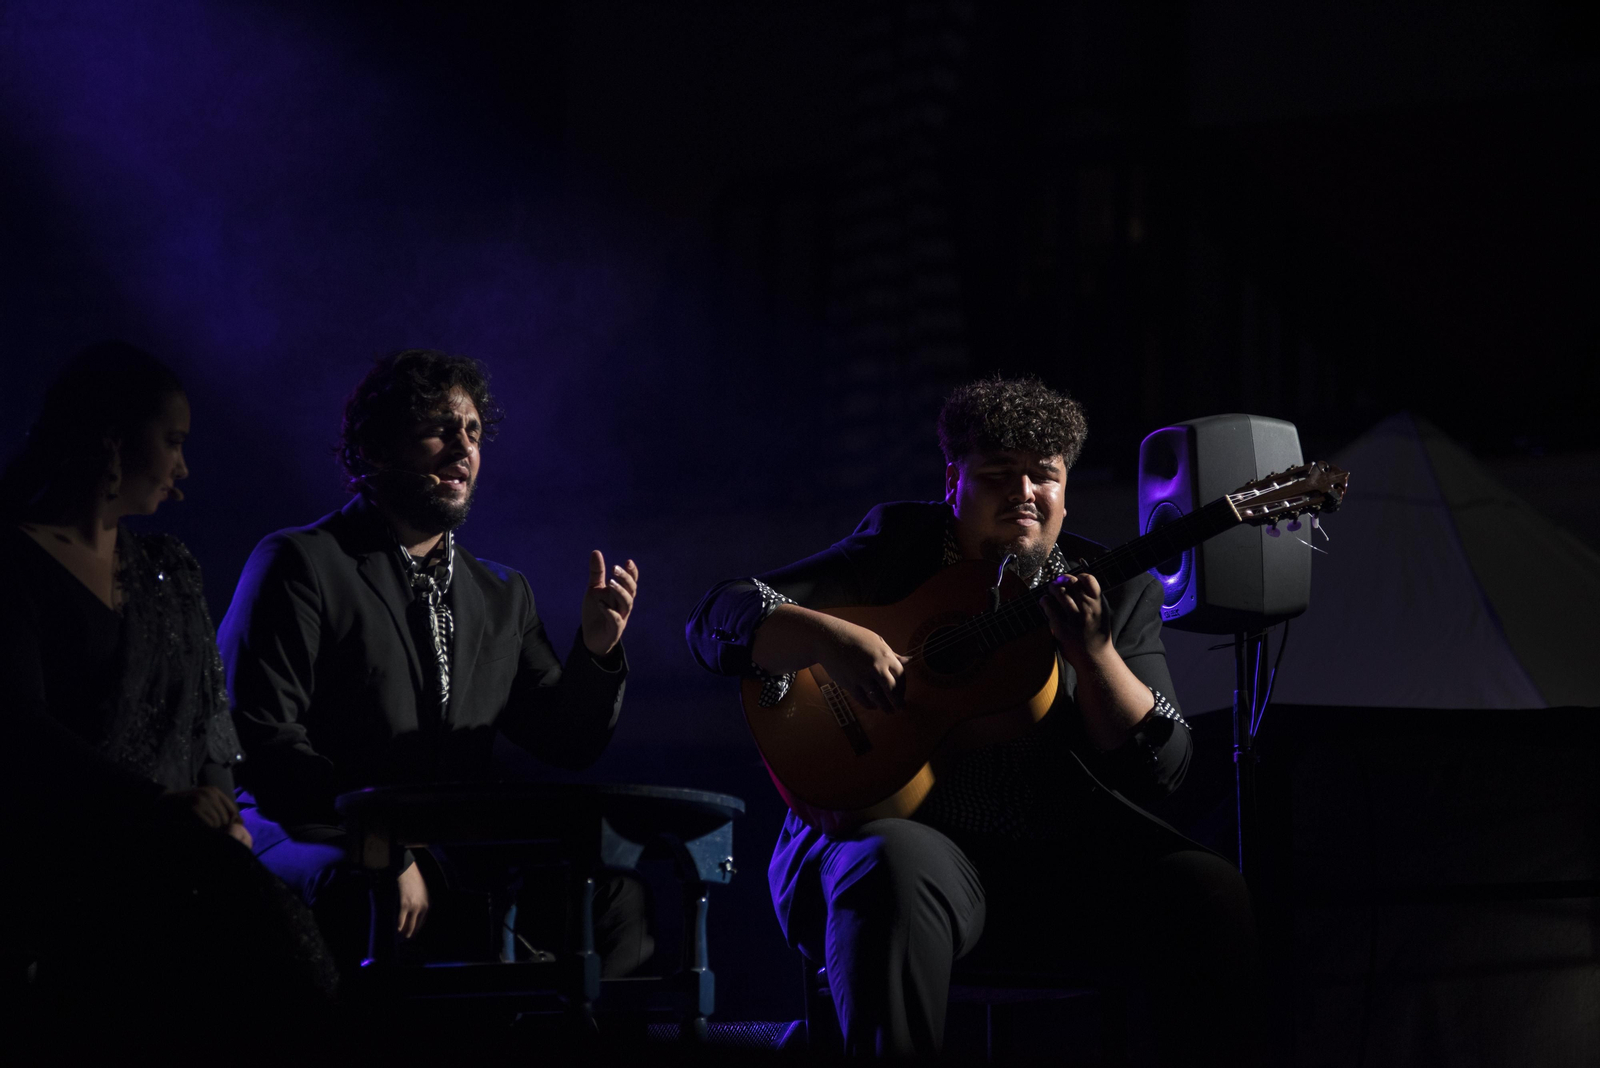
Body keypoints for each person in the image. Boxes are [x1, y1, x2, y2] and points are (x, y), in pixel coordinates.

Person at [686, 376, 1260, 1063]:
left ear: (1065, 489)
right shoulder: (897, 546)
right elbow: (719, 613)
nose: (1024, 494)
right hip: (910, 851)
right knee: (892, 863)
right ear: (954, 482)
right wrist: (822, 636)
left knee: (1208, 889)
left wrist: (1098, 654)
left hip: (1055, 869)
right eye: (998, 476)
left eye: (1043, 477)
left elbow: (1163, 768)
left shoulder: (1111, 590)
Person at [219, 349, 649, 973]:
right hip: (318, 829)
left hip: (452, 846)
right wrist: (384, 844)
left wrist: (598, 651)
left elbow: (565, 740)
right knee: (379, 897)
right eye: (440, 427)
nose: (462, 448)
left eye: (473, 433)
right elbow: (264, 741)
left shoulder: (504, 594)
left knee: (614, 900)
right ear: (376, 448)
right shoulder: (301, 562)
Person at [1, 342, 335, 1050]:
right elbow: (17, 726)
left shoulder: (167, 570)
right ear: (113, 440)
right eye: (173, 442)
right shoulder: (14, 563)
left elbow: (208, 716)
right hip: (69, 847)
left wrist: (224, 816)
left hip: (185, 848)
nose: (183, 468)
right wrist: (152, 805)